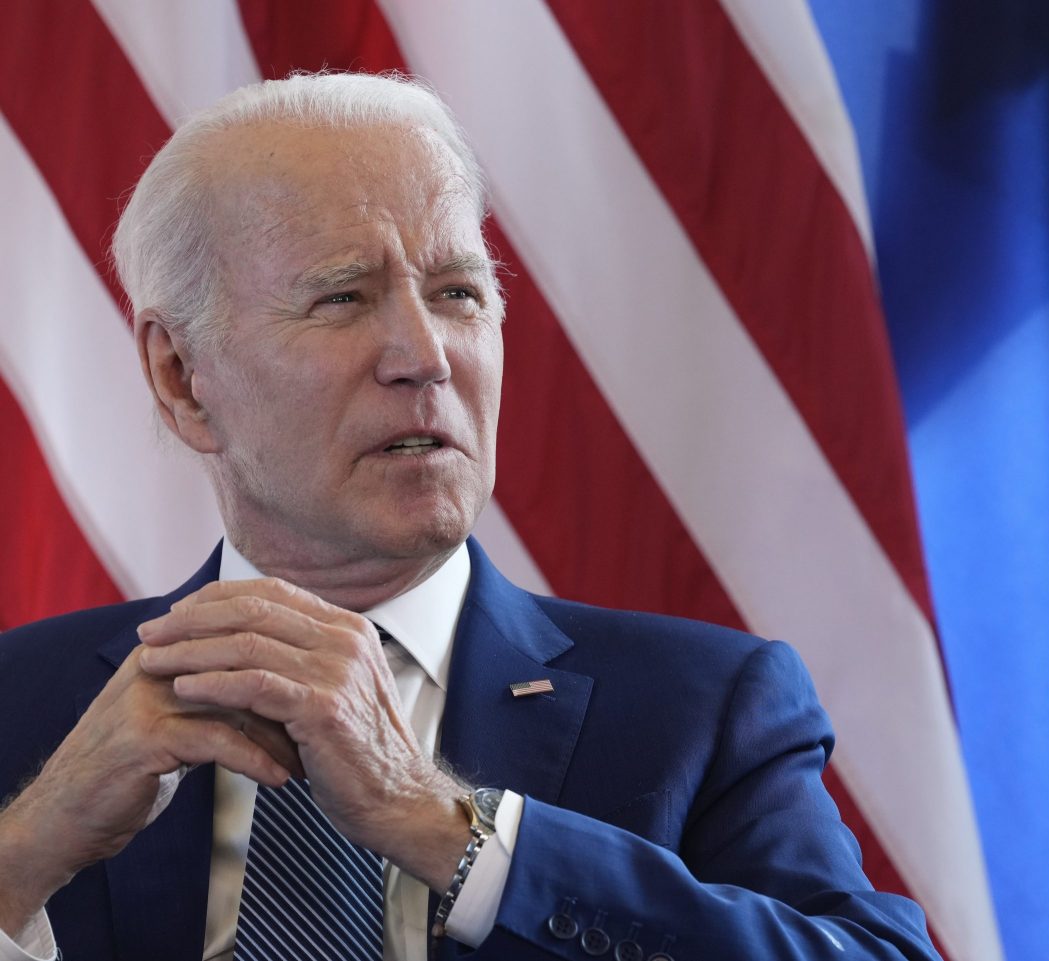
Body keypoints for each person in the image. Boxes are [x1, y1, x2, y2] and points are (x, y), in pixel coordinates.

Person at [0, 73, 942, 961]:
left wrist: (449, 828)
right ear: (180, 378)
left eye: (458, 293)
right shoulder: (20, 705)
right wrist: (18, 863)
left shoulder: (702, 708)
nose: (425, 354)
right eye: (342, 298)